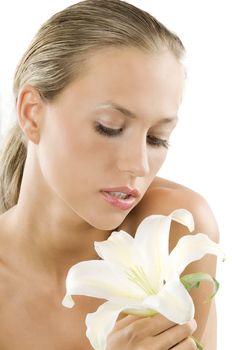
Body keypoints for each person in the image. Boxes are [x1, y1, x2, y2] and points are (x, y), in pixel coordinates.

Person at [0, 0, 219, 349]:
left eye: (156, 138)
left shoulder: (176, 229)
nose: (139, 165)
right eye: (109, 128)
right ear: (32, 114)